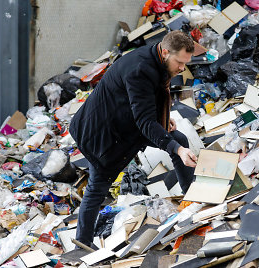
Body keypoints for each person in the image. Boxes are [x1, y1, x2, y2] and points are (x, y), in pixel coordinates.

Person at [69, 31, 198, 247]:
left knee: (178, 138)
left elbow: (148, 101)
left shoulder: (158, 59)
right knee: (98, 185)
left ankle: (192, 201)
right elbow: (145, 122)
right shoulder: (140, 69)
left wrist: (163, 119)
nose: (182, 68)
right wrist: (176, 149)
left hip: (127, 124)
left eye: (186, 63)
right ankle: (80, 245)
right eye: (179, 62)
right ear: (165, 52)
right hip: (101, 133)